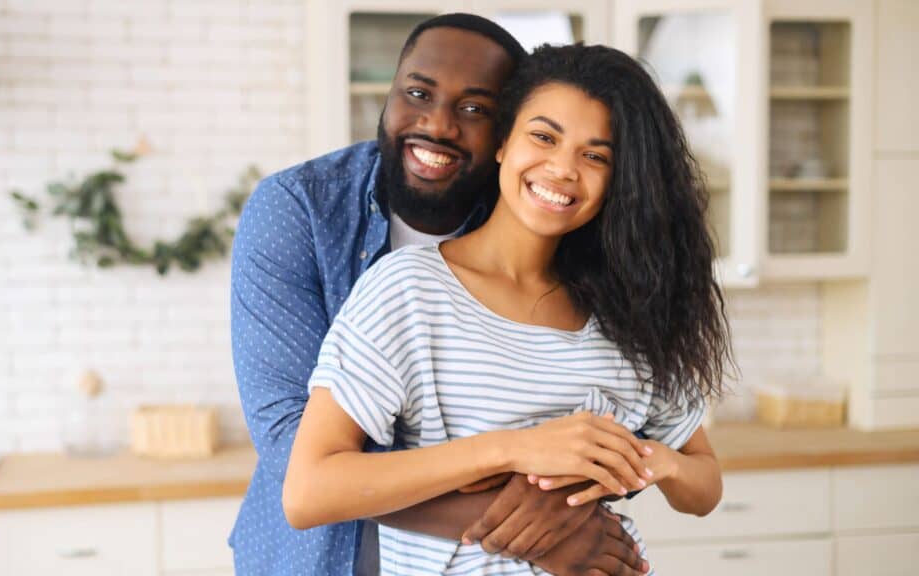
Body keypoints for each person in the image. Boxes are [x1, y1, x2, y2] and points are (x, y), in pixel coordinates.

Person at [282, 43, 733, 575]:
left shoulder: (630, 309)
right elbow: (309, 493)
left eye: (596, 156)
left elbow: (703, 488)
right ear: (503, 143)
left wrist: (649, 462)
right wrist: (514, 450)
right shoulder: (410, 291)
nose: (564, 169)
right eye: (544, 137)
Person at [231, 14, 647, 576]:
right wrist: (533, 532)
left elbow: (608, 405)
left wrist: (562, 493)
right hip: (317, 555)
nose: (437, 125)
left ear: (507, 132)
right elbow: (294, 450)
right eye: (417, 93)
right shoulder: (298, 208)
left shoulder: (531, 211)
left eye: (475, 109)